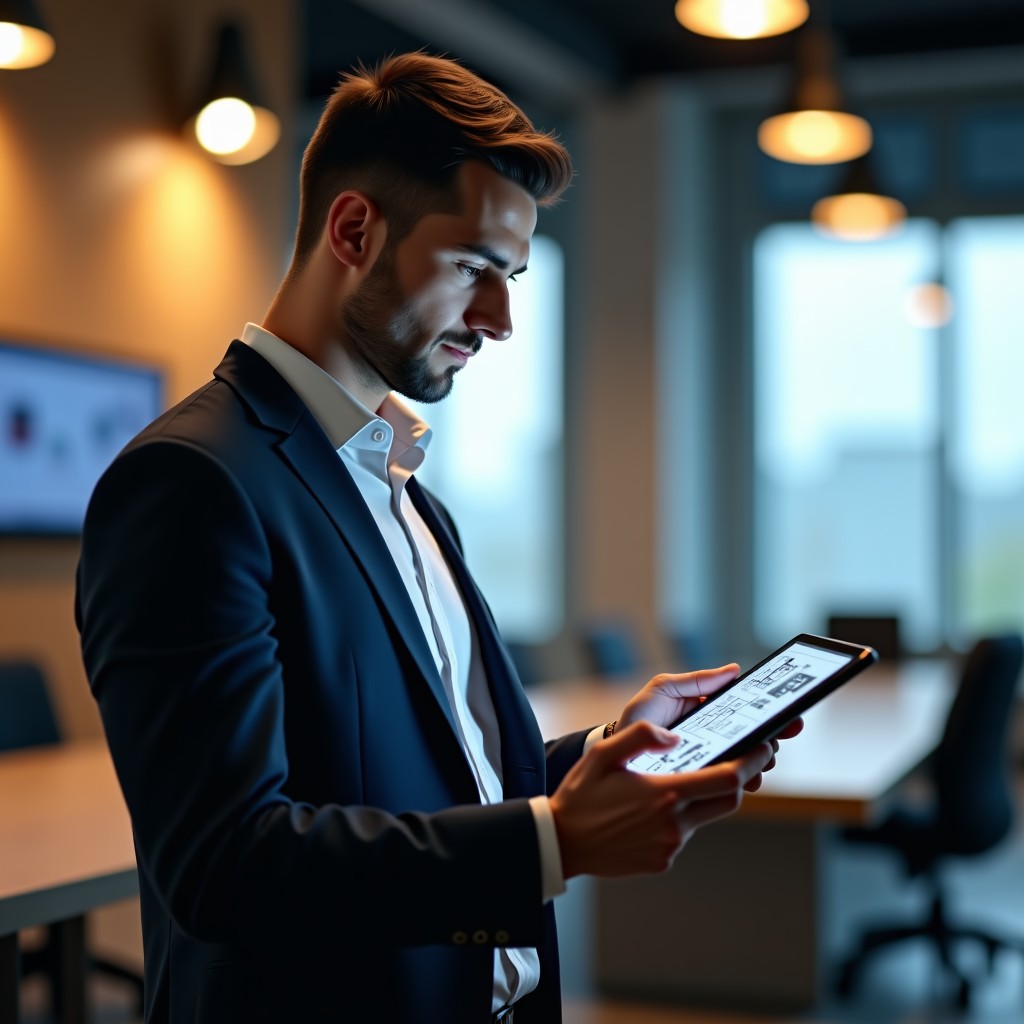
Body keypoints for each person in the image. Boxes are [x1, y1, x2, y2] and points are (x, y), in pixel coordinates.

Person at [76, 53, 800, 1024]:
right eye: (474, 269)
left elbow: (417, 779)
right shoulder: (192, 483)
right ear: (353, 230)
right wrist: (554, 842)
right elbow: (224, 864)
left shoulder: (403, 485)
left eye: (511, 277)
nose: (500, 320)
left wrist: (605, 755)